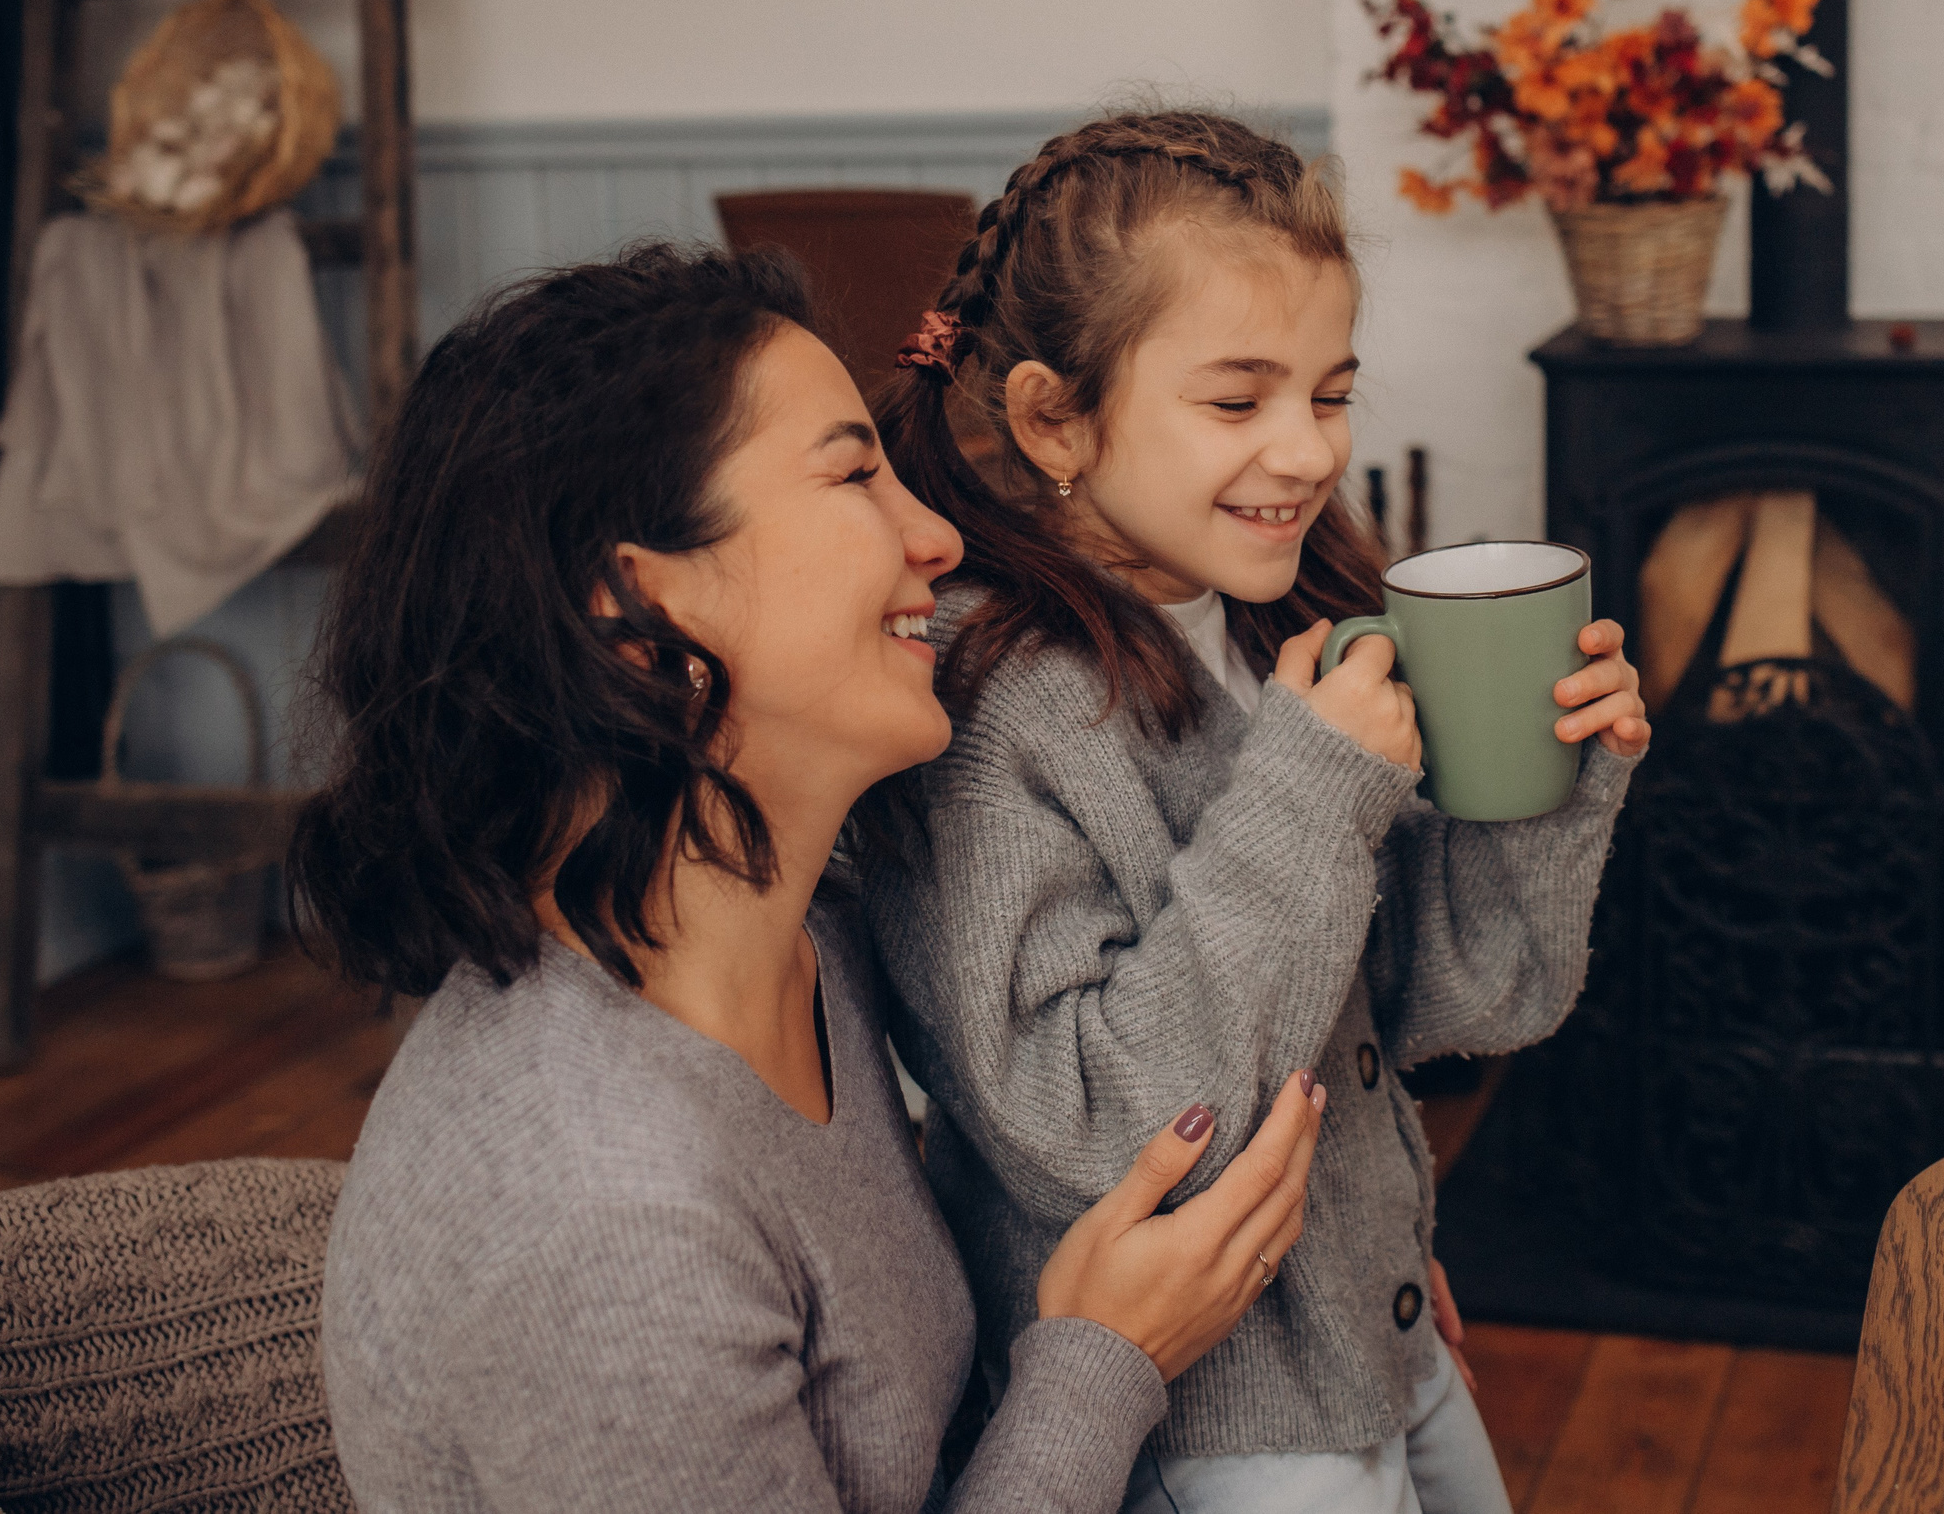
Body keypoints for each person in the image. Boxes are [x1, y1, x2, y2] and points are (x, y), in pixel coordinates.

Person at [296, 242, 1325, 1512]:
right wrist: (1104, 1364)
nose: (939, 536)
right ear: (635, 604)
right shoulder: (607, 1215)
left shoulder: (811, 942)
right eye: (853, 474)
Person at [860, 110, 1650, 1514]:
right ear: (1056, 416)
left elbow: (1449, 997)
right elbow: (1091, 1124)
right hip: (1212, 1419)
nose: (1304, 452)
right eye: (1237, 401)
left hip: (1374, 1332)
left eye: (1330, 393)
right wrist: (1310, 782)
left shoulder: (1263, 624)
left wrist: (1539, 787)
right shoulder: (990, 712)